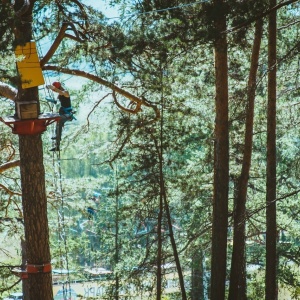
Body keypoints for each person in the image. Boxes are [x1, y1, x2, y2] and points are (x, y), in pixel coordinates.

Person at [46, 81, 74, 151]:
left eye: (55, 90)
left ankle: (57, 138)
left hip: (68, 114)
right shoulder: (60, 95)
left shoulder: (65, 92)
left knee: (59, 120)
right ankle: (57, 146)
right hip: (64, 114)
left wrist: (52, 88)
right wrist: (51, 100)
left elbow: (61, 92)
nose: (54, 91)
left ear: (59, 87)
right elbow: (56, 101)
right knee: (58, 125)